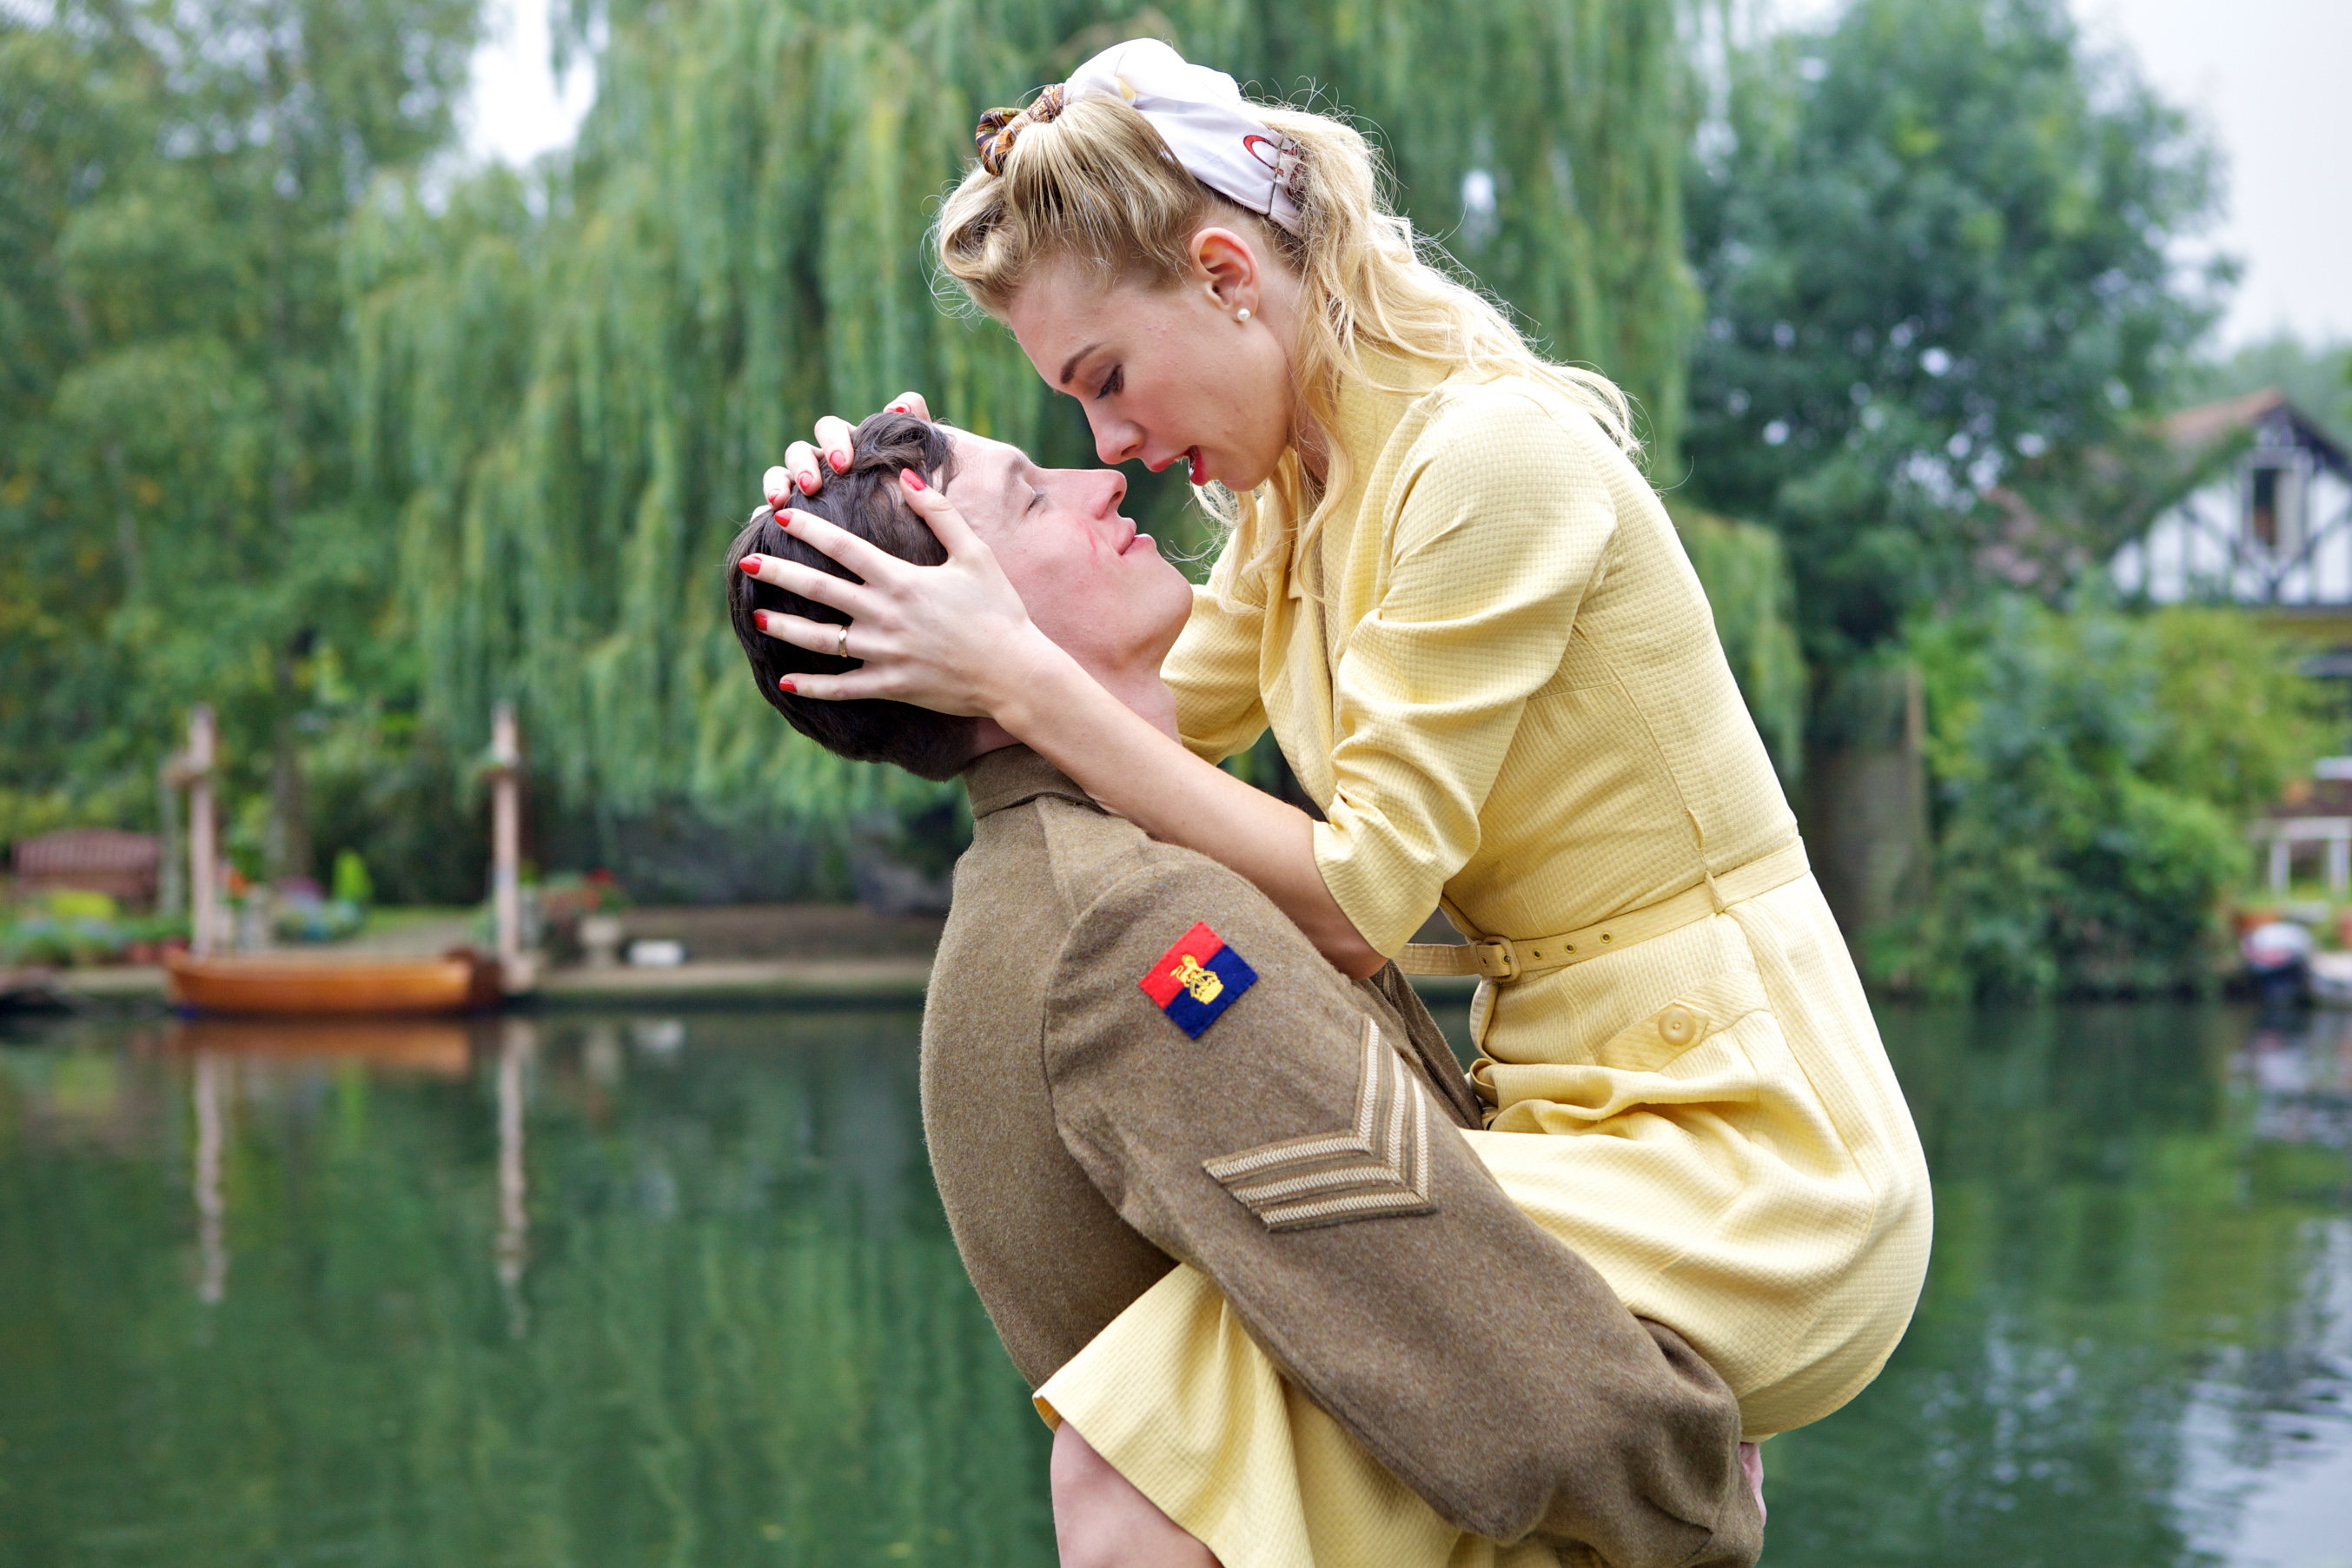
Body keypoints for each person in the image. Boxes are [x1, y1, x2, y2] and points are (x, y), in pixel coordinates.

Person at [752, 33, 1930, 1554]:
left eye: (1105, 381)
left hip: (1759, 1155)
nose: (1109, 447)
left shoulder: (1489, 462)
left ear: (1227, 275)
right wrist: (851, 560)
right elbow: (1141, 716)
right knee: (1199, 1389)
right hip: (1568, 1120)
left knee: (1147, 1424)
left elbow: (1360, 897)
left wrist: (1017, 671)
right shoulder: (1299, 505)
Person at [729, 411, 1766, 1568]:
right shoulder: (1131, 929)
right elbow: (1444, 1290)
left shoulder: (1071, 880)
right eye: (1029, 496)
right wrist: (1694, 1491)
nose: (1100, 480)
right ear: (948, 622)